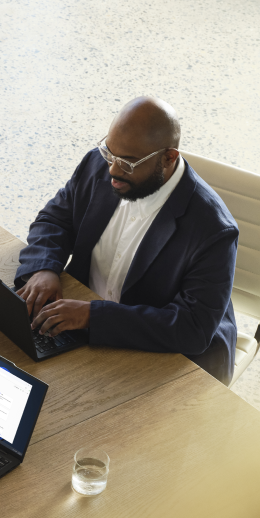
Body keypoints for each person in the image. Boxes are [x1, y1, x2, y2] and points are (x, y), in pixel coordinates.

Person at [15, 96, 239, 384]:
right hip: (79, 321)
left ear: (168, 158)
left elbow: (191, 328)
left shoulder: (214, 230)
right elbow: (55, 219)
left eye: (128, 163)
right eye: (110, 154)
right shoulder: (98, 164)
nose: (112, 170)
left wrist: (92, 317)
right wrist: (44, 268)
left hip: (169, 356)